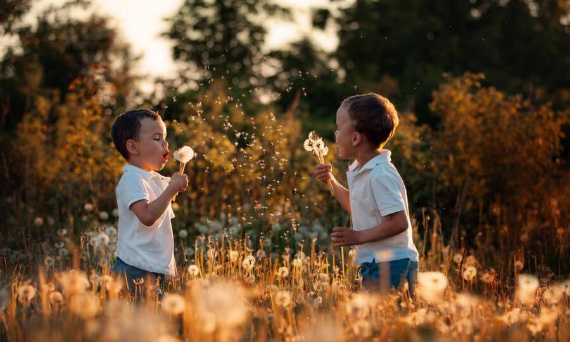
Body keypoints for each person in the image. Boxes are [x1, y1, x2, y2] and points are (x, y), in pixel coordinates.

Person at [315, 93, 419, 295]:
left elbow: (399, 222)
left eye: (338, 128)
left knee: (389, 321)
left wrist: (358, 236)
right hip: (376, 262)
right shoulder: (362, 170)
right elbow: (358, 207)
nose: (335, 134)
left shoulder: (380, 174)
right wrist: (331, 181)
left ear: (355, 138)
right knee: (377, 322)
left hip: (393, 264)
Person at [110, 108, 188, 300]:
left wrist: (171, 189)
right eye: (156, 138)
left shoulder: (154, 180)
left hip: (153, 266)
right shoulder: (131, 179)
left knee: (154, 321)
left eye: (165, 137)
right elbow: (147, 216)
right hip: (135, 268)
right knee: (140, 322)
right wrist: (172, 189)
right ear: (133, 147)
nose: (165, 143)